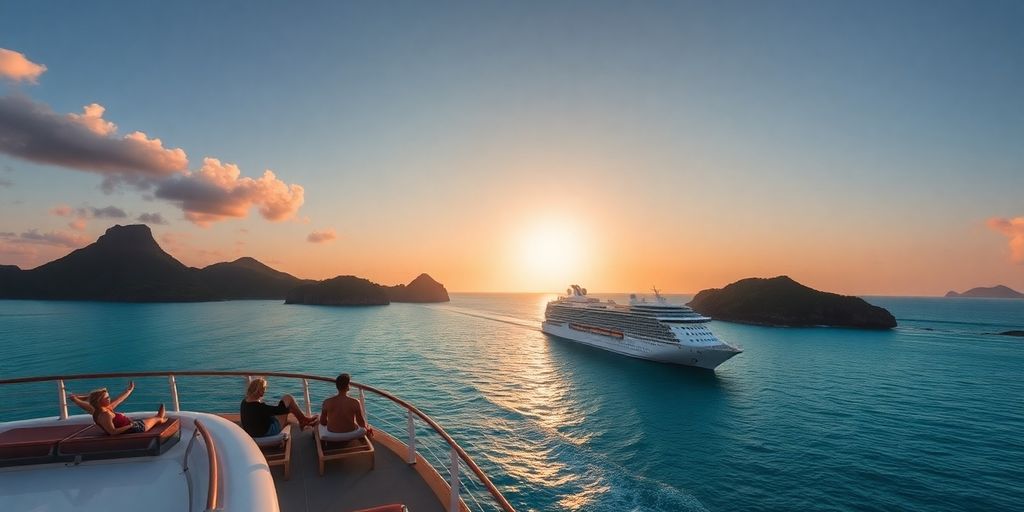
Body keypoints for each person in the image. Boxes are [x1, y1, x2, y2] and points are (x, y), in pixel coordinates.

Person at [68, 381, 168, 435]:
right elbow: (112, 432)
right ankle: (160, 419)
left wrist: (129, 390)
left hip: (130, 425)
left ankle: (158, 418)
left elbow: (119, 399)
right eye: (107, 397)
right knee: (157, 418)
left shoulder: (97, 409)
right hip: (134, 428)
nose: (109, 398)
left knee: (149, 419)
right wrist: (130, 426)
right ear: (99, 401)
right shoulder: (105, 414)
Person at [240, 377, 318, 438]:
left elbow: (270, 412)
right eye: (264, 389)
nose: (265, 391)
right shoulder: (260, 407)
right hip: (265, 432)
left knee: (285, 405)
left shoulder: (244, 402)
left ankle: (303, 421)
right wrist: (290, 409)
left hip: (251, 432)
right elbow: (281, 411)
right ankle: (303, 421)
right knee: (288, 398)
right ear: (259, 391)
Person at [319, 373, 372, 440]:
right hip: (351, 433)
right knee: (363, 430)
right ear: (348, 387)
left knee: (318, 422)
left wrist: (331, 424)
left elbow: (323, 422)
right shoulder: (355, 402)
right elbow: (361, 423)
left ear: (337, 386)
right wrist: (367, 427)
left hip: (332, 434)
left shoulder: (327, 402)